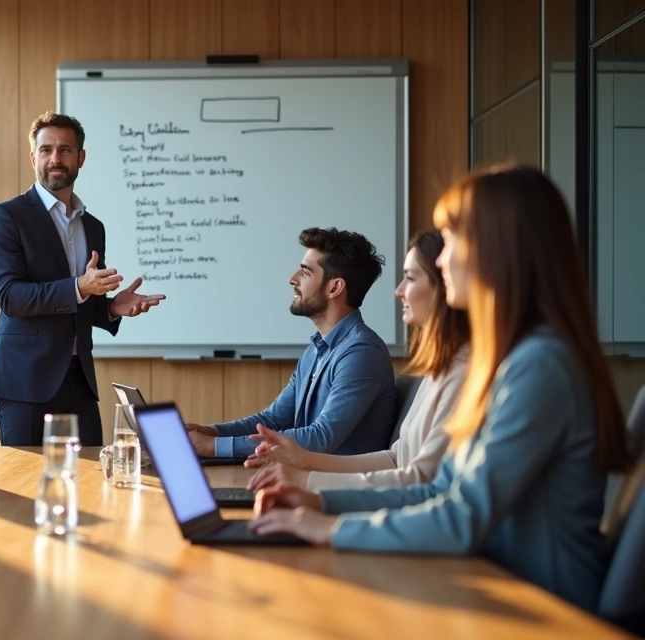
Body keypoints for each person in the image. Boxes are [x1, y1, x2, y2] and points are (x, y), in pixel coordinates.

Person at [248, 164, 633, 613]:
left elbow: (461, 518)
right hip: (498, 584)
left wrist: (326, 527)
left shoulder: (539, 366)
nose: (443, 259)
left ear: (497, 251)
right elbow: (439, 490)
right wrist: (317, 501)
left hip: (543, 607)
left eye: (452, 241)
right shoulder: (516, 360)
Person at [0, 111, 165, 446]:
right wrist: (80, 287)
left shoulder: (92, 227)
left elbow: (78, 304)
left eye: (65, 150)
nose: (56, 158)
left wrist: (111, 308)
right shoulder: (6, 217)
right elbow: (10, 297)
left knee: (90, 485)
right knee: (24, 488)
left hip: (80, 381)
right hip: (25, 382)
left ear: (80, 157)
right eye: (47, 149)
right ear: (33, 157)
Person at [246, 230, 470, 491]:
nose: (398, 291)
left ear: (446, 285)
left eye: (409, 278)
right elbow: (396, 458)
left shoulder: (461, 371)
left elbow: (421, 480)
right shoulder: (438, 370)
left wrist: (309, 481)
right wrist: (302, 460)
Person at [186, 228, 396, 459]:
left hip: (336, 490)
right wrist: (211, 433)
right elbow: (272, 421)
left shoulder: (361, 353)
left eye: (305, 272)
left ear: (334, 287)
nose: (292, 279)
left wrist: (212, 447)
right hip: (307, 481)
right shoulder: (315, 352)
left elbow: (320, 438)